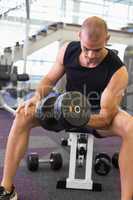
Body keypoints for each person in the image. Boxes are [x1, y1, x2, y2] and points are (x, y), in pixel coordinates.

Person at [0, 16, 132, 200]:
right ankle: (7, 189)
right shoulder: (67, 51)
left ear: (107, 40)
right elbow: (48, 80)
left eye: (97, 50)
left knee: (131, 127)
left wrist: (74, 115)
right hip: (63, 107)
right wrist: (37, 96)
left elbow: (106, 117)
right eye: (87, 49)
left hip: (96, 117)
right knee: (23, 115)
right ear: (79, 37)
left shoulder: (118, 70)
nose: (91, 55)